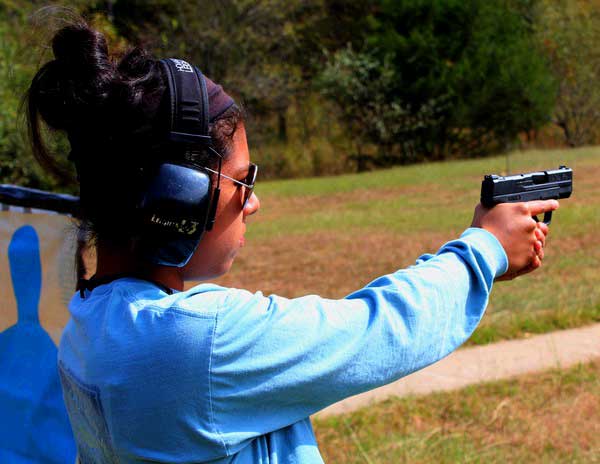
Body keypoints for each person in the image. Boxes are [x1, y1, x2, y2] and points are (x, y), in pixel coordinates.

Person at [26, 20, 558, 464]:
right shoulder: (198, 342)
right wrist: (485, 247)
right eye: (243, 181)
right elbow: (381, 330)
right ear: (177, 199)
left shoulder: (87, 325)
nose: (252, 202)